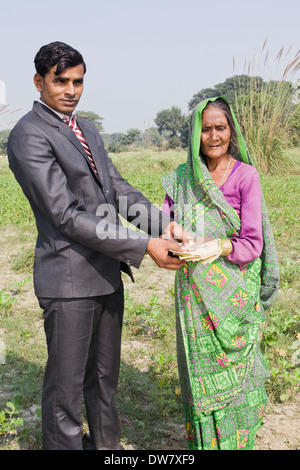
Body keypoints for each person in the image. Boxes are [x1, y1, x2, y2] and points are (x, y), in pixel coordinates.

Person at [7, 41, 194, 450]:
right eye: (61, 81)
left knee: (105, 380)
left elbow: (118, 190)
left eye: (78, 81)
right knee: (65, 392)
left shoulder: (86, 127)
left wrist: (166, 226)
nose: (71, 90)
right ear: (39, 82)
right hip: (69, 279)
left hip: (107, 274)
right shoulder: (28, 136)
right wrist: (146, 245)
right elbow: (66, 215)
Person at [161, 97, 279, 450]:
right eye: (205, 129)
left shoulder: (246, 175)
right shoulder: (183, 180)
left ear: (232, 132)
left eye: (221, 128)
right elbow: (166, 223)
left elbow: (252, 243)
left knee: (237, 374)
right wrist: (175, 235)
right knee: (199, 371)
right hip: (193, 295)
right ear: (196, 134)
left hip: (235, 297)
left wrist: (220, 246)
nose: (213, 136)